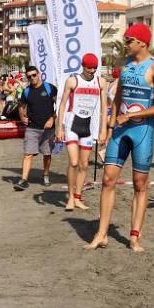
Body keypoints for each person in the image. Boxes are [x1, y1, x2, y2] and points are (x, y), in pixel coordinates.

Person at [87, 23, 154, 252]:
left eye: (128, 40)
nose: (125, 44)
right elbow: (118, 98)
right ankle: (102, 233)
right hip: (120, 129)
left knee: (139, 184)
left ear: (141, 42)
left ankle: (134, 237)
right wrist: (111, 123)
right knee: (107, 180)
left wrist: (135, 115)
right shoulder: (124, 66)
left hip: (142, 131)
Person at [55, 53, 107, 211]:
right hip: (71, 125)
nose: (92, 70)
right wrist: (59, 127)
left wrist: (103, 129)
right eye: (89, 67)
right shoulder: (73, 81)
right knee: (74, 162)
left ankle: (77, 197)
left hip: (88, 127)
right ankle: (70, 197)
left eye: (94, 67)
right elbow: (62, 104)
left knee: (84, 165)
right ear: (83, 66)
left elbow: (105, 108)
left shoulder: (101, 82)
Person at [13, 66, 57, 190]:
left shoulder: (50, 88)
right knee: (28, 153)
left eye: (34, 75)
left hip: (48, 128)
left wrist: (52, 118)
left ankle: (46, 174)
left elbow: (59, 104)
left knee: (47, 154)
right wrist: (22, 117)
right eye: (29, 76)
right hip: (32, 127)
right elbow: (21, 106)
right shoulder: (27, 91)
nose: (32, 78)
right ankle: (24, 180)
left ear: (39, 74)